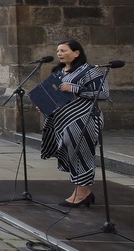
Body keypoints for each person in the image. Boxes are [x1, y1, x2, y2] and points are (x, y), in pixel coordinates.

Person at [39, 39, 110, 207]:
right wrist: (43, 105)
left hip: (84, 119)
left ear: (76, 53)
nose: (59, 54)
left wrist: (75, 88)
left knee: (82, 155)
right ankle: (84, 192)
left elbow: (103, 93)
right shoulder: (59, 72)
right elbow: (55, 96)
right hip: (64, 121)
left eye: (63, 50)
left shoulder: (90, 71)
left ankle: (81, 194)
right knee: (72, 154)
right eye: (58, 51)